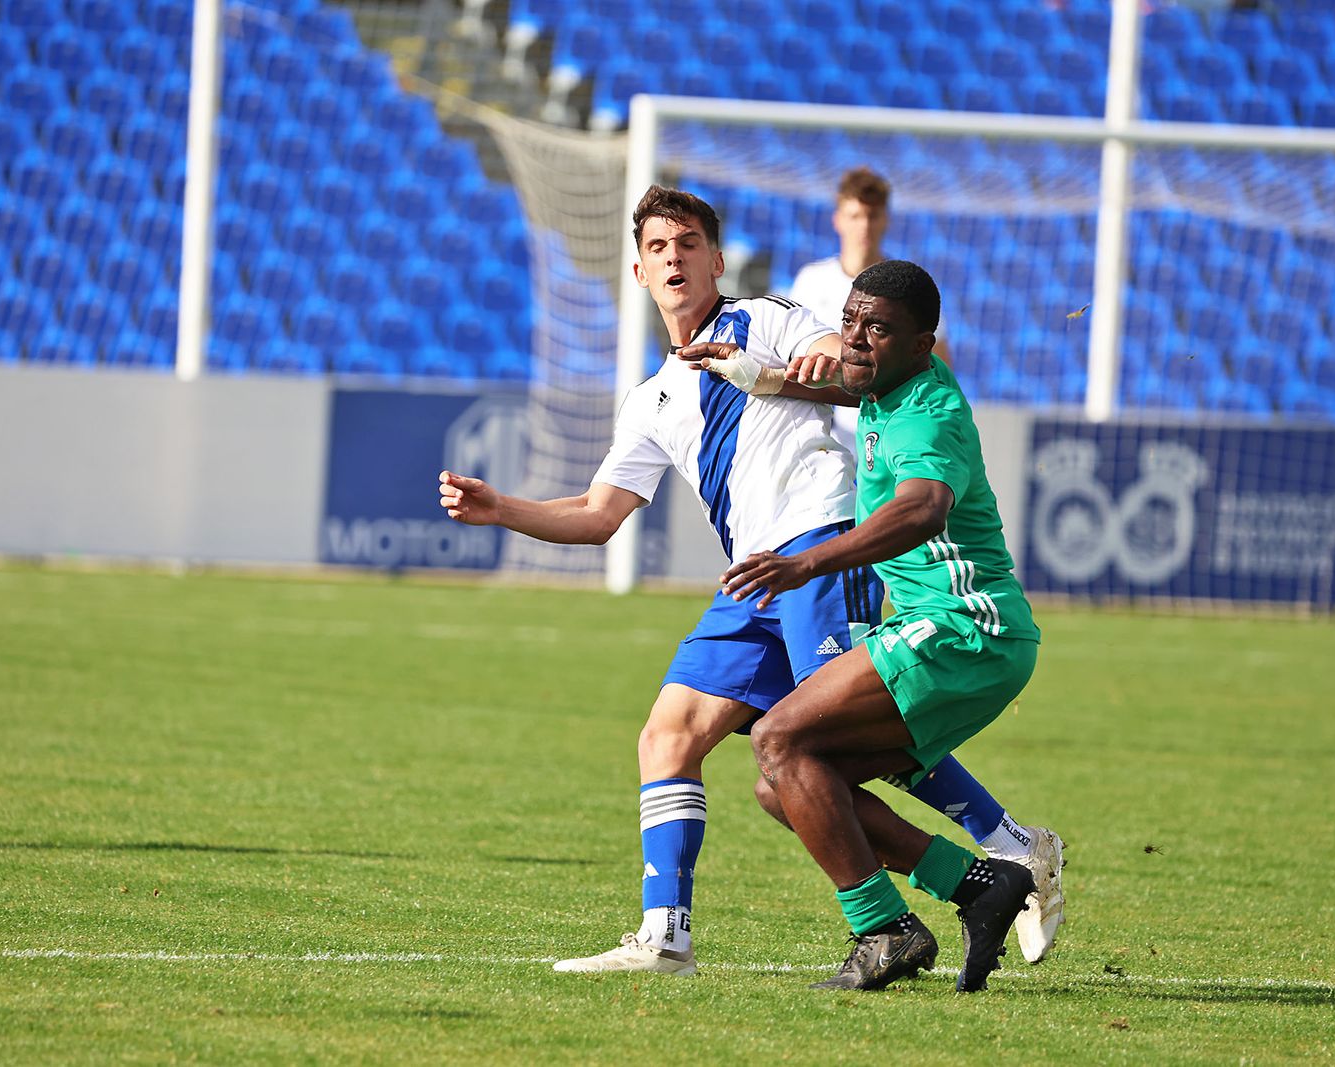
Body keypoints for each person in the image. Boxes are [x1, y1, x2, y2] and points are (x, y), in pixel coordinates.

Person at [439, 187, 1060, 977]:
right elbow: (598, 514)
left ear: (717, 260)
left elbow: (853, 356)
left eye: (689, 243)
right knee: (672, 736)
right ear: (638, 269)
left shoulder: (767, 315)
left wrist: (797, 360)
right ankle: (667, 937)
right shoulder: (650, 399)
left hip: (824, 546)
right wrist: (504, 510)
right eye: (660, 247)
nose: (675, 257)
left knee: (825, 742)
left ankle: (1008, 849)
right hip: (753, 577)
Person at [712, 259, 1044, 991]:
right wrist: (755, 374)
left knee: (777, 737)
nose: (856, 340)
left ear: (923, 345)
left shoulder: (926, 411)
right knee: (790, 783)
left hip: (966, 627)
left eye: (878, 329)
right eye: (852, 320)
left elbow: (923, 507)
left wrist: (808, 564)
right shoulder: (886, 387)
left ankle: (885, 930)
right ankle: (980, 885)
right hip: (957, 633)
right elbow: (841, 379)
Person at [788, 168, 950, 448]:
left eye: (872, 216)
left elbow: (940, 366)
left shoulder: (908, 287)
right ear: (838, 220)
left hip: (889, 431)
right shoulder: (811, 281)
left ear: (885, 220)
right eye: (855, 215)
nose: (864, 226)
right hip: (821, 434)